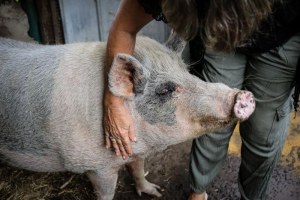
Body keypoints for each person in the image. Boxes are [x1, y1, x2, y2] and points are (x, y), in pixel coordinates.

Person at [103, 0, 300, 199]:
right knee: (210, 117)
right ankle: (198, 190)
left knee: (263, 130)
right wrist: (113, 100)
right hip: (219, 32)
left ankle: (253, 196)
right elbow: (124, 26)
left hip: (281, 37)